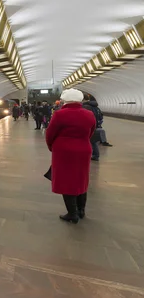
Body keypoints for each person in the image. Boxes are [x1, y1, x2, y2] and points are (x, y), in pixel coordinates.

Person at [45, 89, 96, 223]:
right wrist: (82, 142)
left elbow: (50, 134)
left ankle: (72, 213)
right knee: (81, 179)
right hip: (84, 150)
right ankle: (81, 210)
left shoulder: (59, 114)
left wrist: (52, 147)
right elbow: (91, 131)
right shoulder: (89, 114)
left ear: (64, 100)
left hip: (64, 151)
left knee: (66, 180)